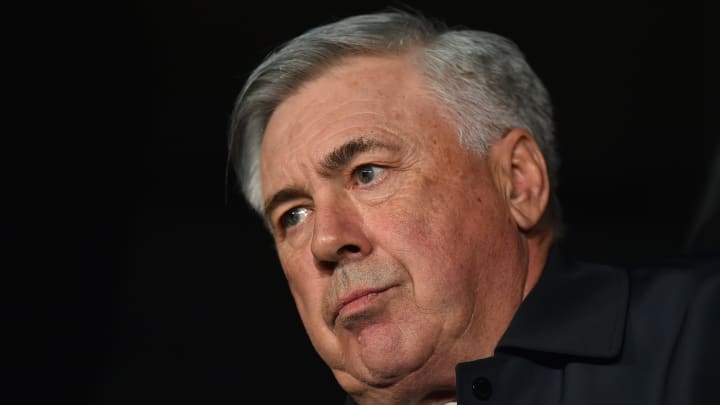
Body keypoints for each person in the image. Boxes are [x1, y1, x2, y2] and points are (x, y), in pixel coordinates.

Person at [228, 10, 719, 405]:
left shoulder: (699, 334)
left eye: (368, 172)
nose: (326, 240)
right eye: (294, 214)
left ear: (518, 182)